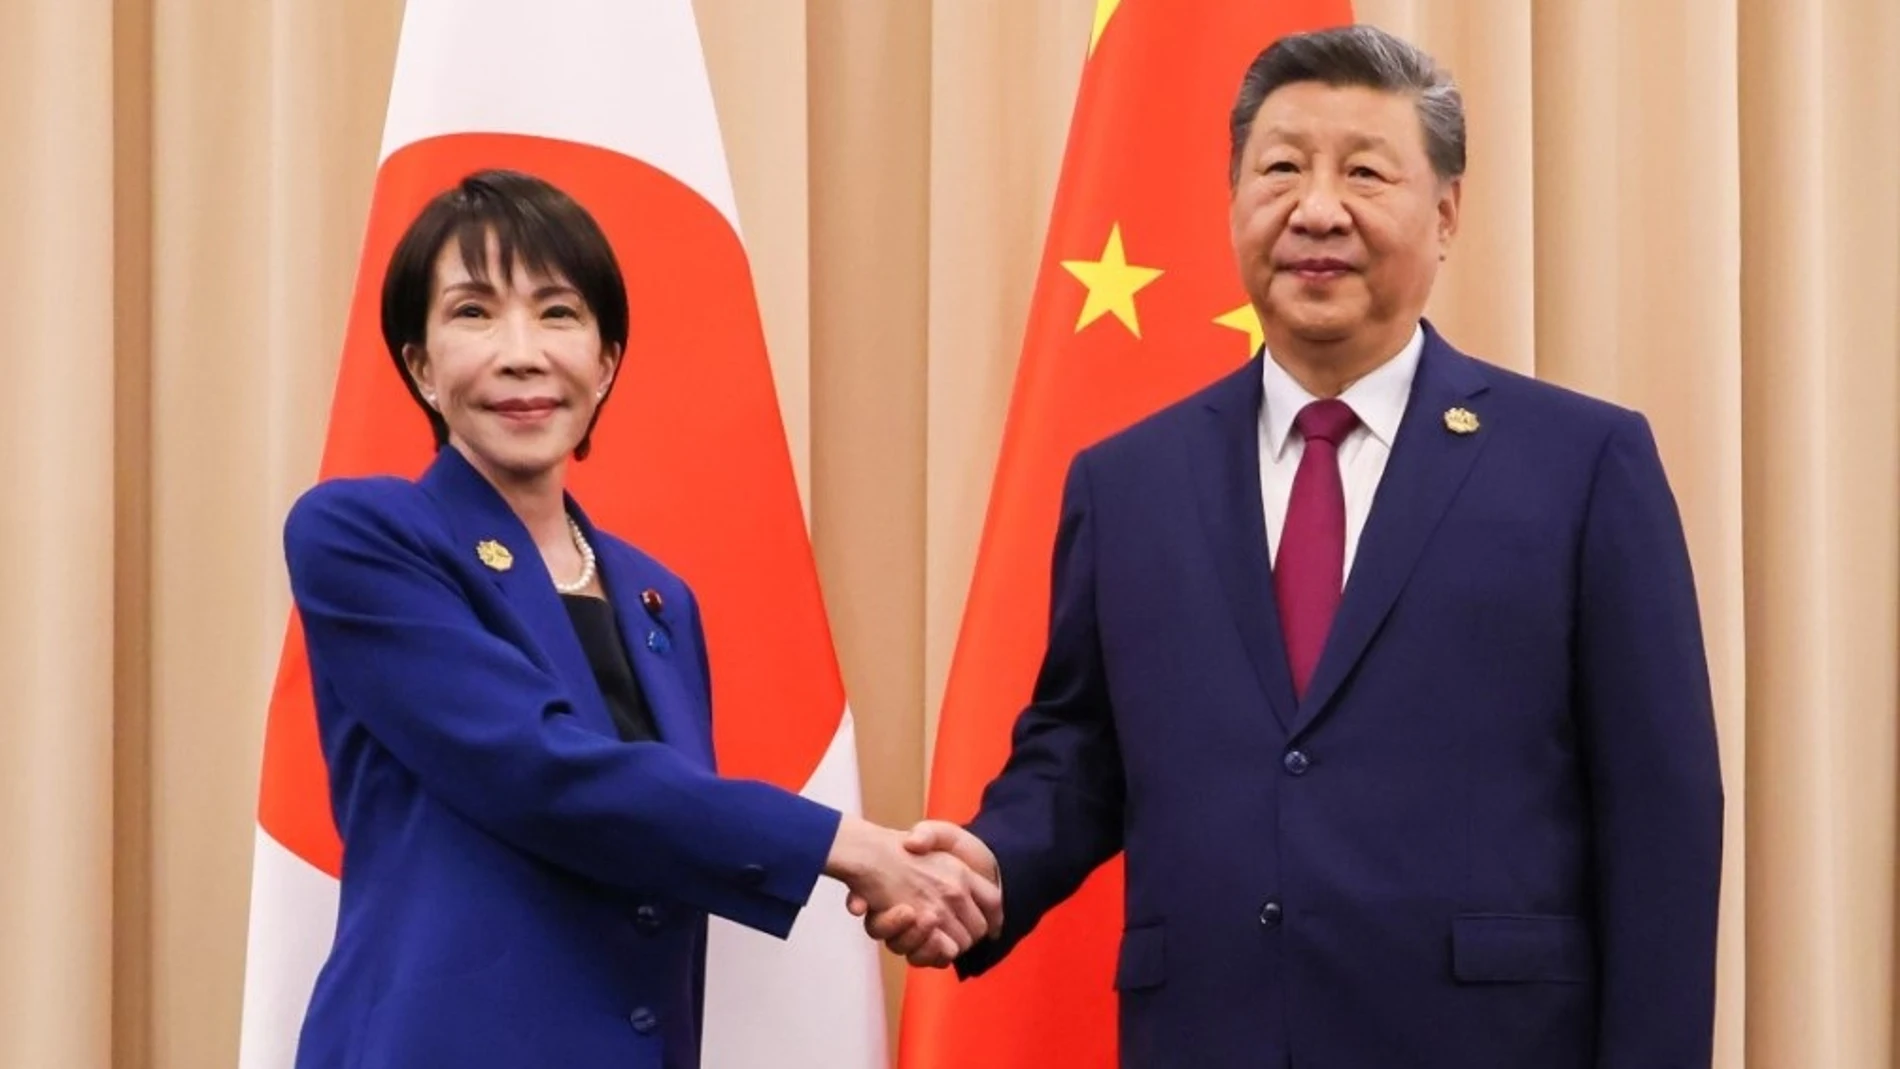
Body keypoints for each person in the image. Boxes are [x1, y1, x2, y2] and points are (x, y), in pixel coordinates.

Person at [870, 24, 1724, 1069]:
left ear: (1446, 213)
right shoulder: (1126, 481)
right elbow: (1079, 754)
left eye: (1364, 171)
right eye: (1280, 169)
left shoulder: (1582, 462)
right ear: (1234, 200)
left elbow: (1661, 807)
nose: (1316, 208)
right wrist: (992, 865)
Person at [281, 169, 999, 1069]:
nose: (521, 352)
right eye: (473, 313)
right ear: (421, 366)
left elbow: (661, 837)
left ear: (607, 360)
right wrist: (848, 848)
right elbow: (539, 771)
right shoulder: (362, 533)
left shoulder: (659, 596)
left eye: (557, 313)